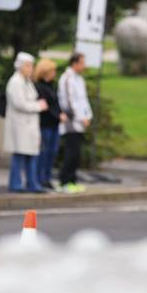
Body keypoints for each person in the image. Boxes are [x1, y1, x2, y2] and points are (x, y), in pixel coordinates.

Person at [4, 52, 48, 193]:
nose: (30, 68)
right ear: (20, 66)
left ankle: (31, 183)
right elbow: (20, 104)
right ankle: (16, 183)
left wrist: (37, 104)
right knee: (19, 155)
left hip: (29, 125)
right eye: (28, 65)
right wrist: (38, 106)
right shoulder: (16, 82)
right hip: (20, 125)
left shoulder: (27, 81)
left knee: (31, 154)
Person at [58, 52, 93, 193]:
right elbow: (70, 101)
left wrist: (88, 116)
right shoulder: (67, 79)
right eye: (82, 63)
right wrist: (80, 117)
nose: (84, 66)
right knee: (70, 152)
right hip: (71, 121)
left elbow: (83, 100)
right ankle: (64, 181)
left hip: (81, 121)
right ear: (74, 63)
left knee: (77, 153)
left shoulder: (79, 79)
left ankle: (73, 180)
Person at [34, 58, 66, 189]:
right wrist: (58, 115)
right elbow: (45, 106)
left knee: (52, 151)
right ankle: (40, 178)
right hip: (45, 124)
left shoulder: (52, 86)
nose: (54, 73)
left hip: (54, 124)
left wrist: (60, 113)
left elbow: (55, 104)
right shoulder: (39, 87)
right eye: (52, 71)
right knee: (44, 151)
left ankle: (47, 177)